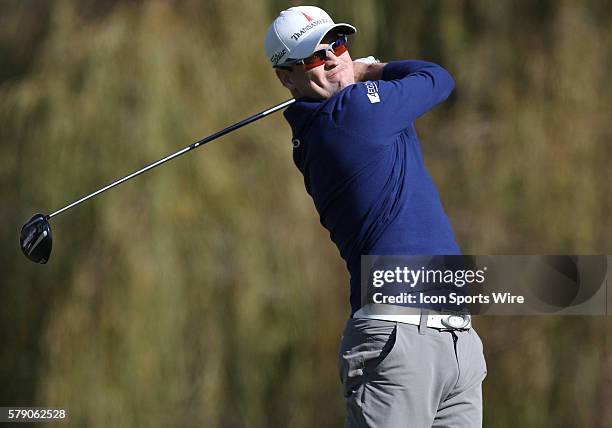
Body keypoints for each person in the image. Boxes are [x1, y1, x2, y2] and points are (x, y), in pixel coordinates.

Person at [265, 6, 487, 428]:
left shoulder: (345, 115)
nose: (333, 58)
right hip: (398, 340)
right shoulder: (351, 115)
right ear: (286, 77)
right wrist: (373, 68)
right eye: (314, 56)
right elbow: (436, 78)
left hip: (455, 343)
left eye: (339, 45)